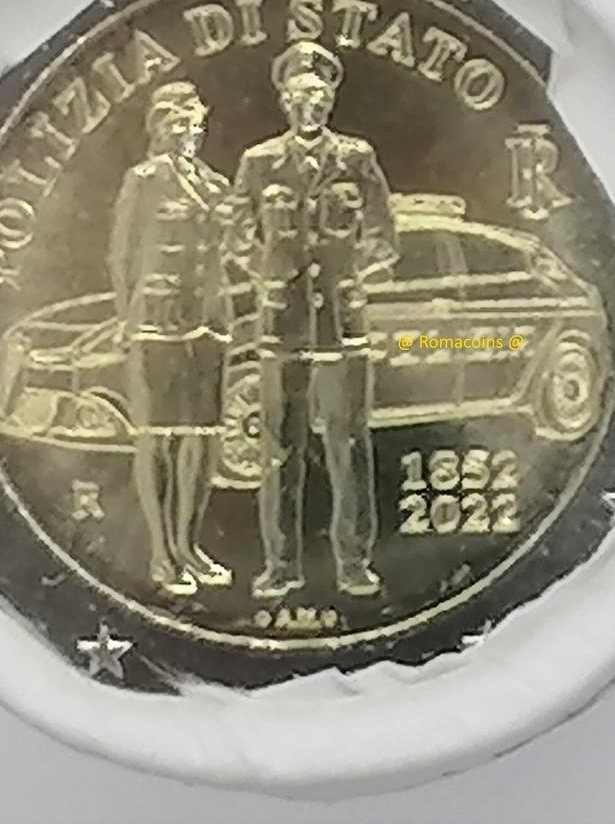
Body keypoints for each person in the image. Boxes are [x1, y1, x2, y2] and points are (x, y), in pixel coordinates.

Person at [222, 41, 399, 599]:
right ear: (284, 100)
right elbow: (236, 237)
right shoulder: (258, 163)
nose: (311, 105)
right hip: (284, 326)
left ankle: (354, 564)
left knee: (349, 447)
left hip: (343, 326)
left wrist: (352, 275)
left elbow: (384, 236)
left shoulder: (357, 158)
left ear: (331, 100)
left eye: (320, 96)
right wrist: (269, 277)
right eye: (301, 96)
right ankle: (281, 565)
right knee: (279, 450)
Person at [109, 81, 233, 596]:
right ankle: (161, 554)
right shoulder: (142, 181)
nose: (189, 131)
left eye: (194, 122)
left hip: (209, 321)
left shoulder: (217, 185)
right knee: (157, 434)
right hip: (156, 320)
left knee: (201, 438)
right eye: (178, 122)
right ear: (159, 127)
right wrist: (126, 316)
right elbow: (123, 254)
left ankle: (189, 546)